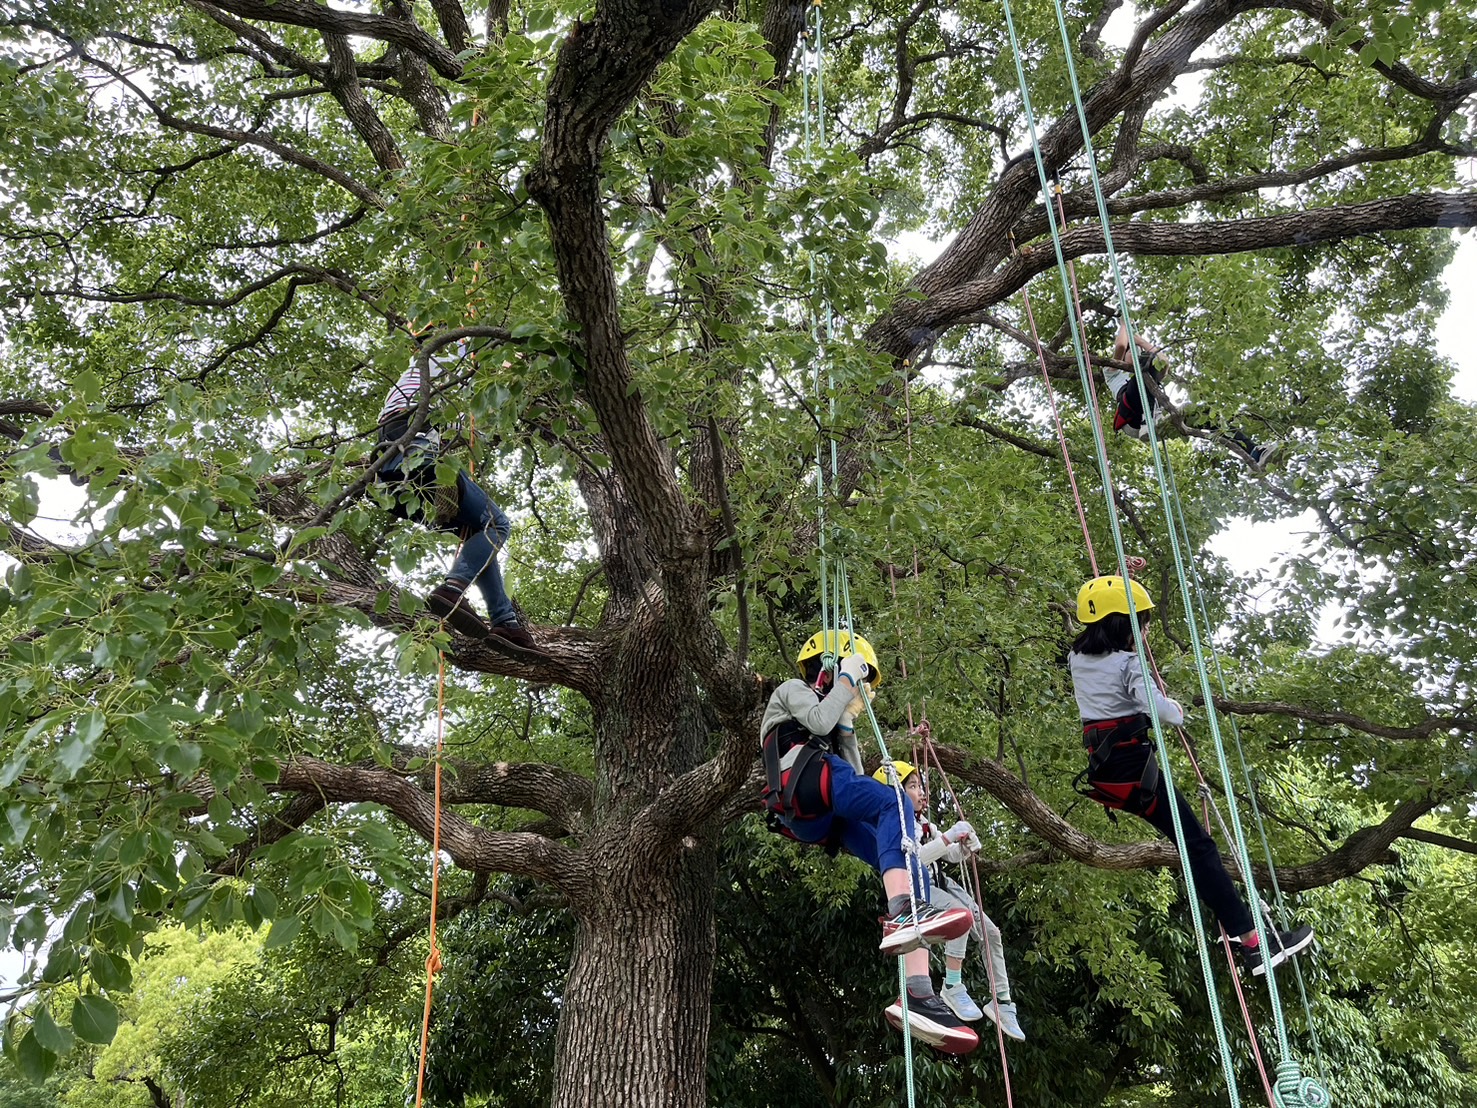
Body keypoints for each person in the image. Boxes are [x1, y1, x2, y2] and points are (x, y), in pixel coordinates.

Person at [1068, 575, 1314, 977]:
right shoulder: (1129, 663)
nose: (1146, 632)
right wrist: (1174, 707)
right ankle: (1253, 943)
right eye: (1143, 624)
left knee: (1191, 846)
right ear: (1125, 625)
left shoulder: (1077, 659)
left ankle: (1235, 924)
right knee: (1199, 847)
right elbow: (1161, 712)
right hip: (1135, 773)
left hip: (1108, 773)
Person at [760, 630, 979, 1054]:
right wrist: (845, 680)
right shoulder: (791, 690)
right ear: (830, 665)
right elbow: (817, 722)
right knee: (895, 803)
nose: (860, 691)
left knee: (907, 851)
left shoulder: (832, 709)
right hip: (801, 785)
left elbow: (856, 779)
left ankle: (918, 992)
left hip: (824, 811)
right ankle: (903, 912)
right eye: (860, 680)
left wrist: (847, 729)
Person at [375, 339, 537, 649]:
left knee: (480, 531)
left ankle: (505, 623)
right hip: (419, 457)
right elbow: (484, 359)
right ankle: (452, 590)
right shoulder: (438, 359)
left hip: (394, 480)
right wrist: (514, 356)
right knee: (498, 524)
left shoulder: (409, 383)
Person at [873, 760, 1026, 1041]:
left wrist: (964, 846)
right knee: (959, 915)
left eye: (920, 786)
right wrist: (948, 837)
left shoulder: (924, 824)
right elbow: (915, 859)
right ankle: (952, 985)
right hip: (921, 887)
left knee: (991, 933)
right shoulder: (896, 826)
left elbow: (948, 854)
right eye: (913, 786)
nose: (922, 792)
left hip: (943, 883)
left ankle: (1002, 1001)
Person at [1108, 322, 1280, 471]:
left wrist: (1141, 341)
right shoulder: (1111, 371)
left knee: (1206, 414)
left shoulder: (1148, 371)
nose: (1134, 356)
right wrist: (1124, 324)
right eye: (1131, 352)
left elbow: (1163, 361)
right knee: (1144, 368)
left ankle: (1254, 452)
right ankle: (1148, 422)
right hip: (1131, 416)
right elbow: (1121, 346)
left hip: (1154, 417)